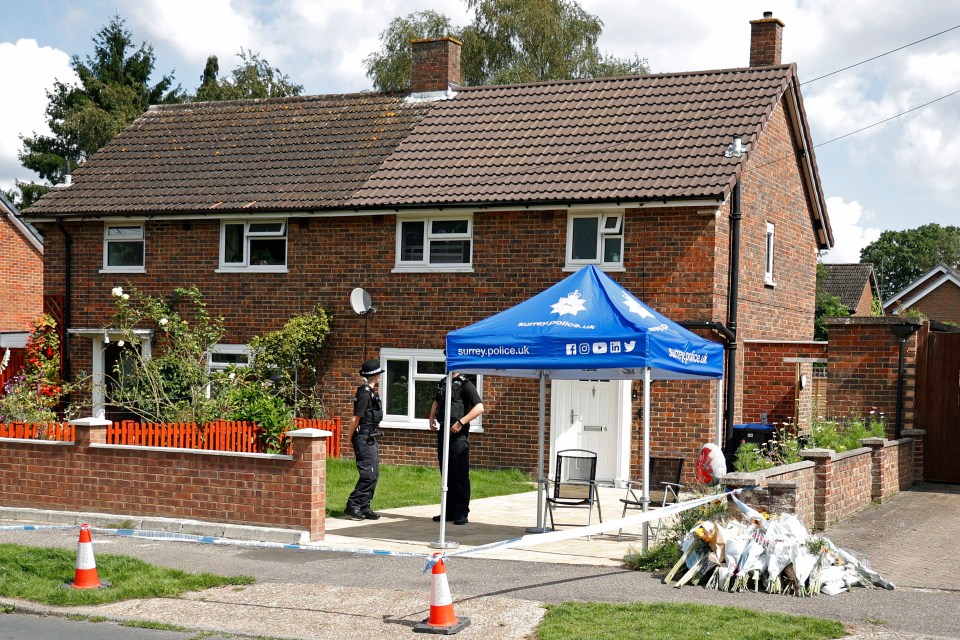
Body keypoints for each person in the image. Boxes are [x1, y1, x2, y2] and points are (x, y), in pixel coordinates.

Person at [428, 366, 483, 525]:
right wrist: (432, 416)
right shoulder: (444, 382)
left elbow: (479, 407)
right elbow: (437, 401)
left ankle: (461, 512)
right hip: (443, 431)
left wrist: (461, 422)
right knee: (446, 473)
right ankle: (448, 512)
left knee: (459, 474)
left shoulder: (466, 384)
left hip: (458, 434)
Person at [345, 358, 385, 521]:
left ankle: (364, 506)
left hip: (371, 436)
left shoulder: (371, 393)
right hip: (363, 437)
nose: (380, 377)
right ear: (376, 376)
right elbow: (355, 419)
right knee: (368, 474)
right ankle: (353, 505)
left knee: (374, 474)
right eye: (378, 375)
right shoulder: (364, 394)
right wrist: (349, 438)